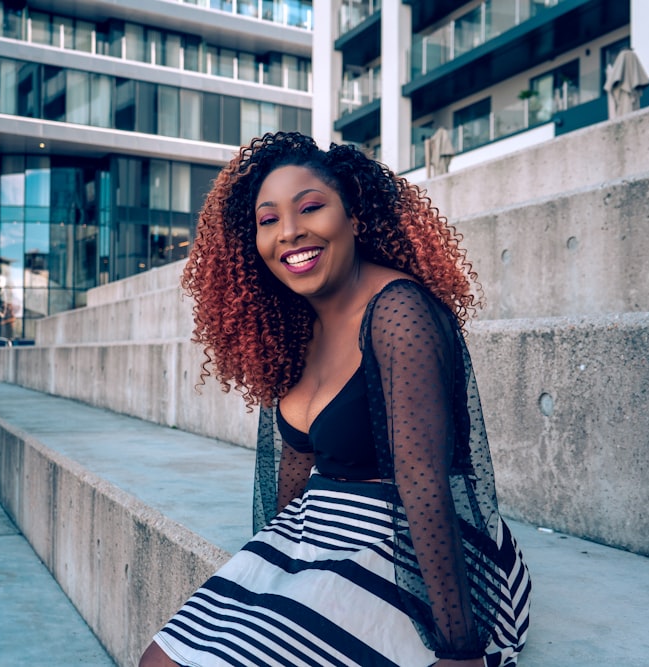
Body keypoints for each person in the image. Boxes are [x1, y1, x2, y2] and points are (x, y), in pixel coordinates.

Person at [141, 132, 531, 667]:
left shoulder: (399, 314)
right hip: (319, 527)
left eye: (311, 208)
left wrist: (459, 648)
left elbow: (423, 483)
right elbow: (298, 464)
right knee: (160, 659)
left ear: (354, 215)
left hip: (404, 543)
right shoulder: (292, 326)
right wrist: (274, 570)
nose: (290, 231)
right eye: (268, 219)